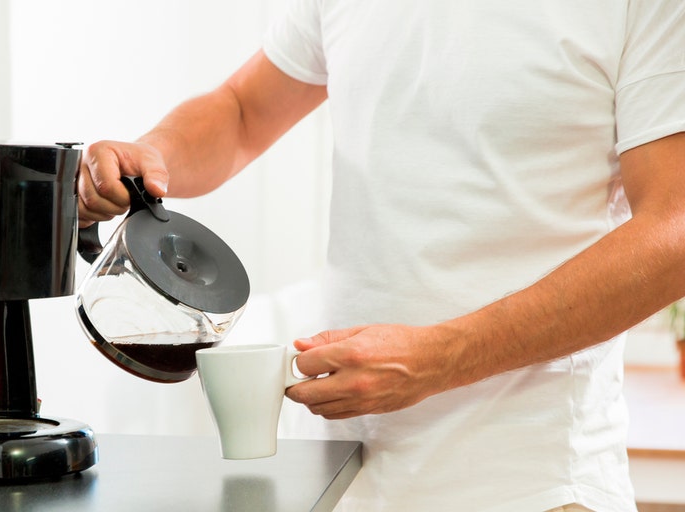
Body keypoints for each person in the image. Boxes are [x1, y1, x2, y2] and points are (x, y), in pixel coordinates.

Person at [77, 2, 685, 511]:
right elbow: (242, 111)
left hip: (535, 486)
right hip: (345, 481)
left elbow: (674, 231)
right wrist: (149, 154)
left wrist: (443, 357)